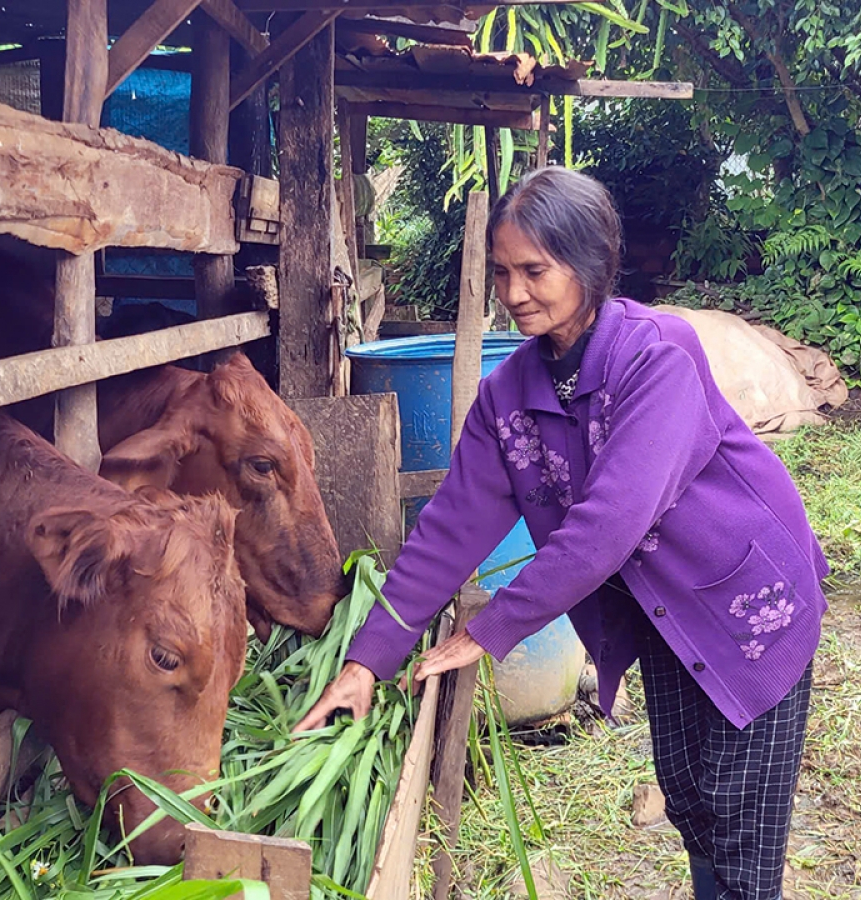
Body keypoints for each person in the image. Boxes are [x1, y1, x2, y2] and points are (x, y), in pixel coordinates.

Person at [294, 167, 828, 900]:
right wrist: (366, 662)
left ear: (589, 263)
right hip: (665, 613)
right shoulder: (509, 393)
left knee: (742, 823)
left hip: (747, 600)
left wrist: (492, 630)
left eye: (535, 271)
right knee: (692, 799)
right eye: (503, 272)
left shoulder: (656, 355)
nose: (514, 293)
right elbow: (449, 529)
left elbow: (610, 524)